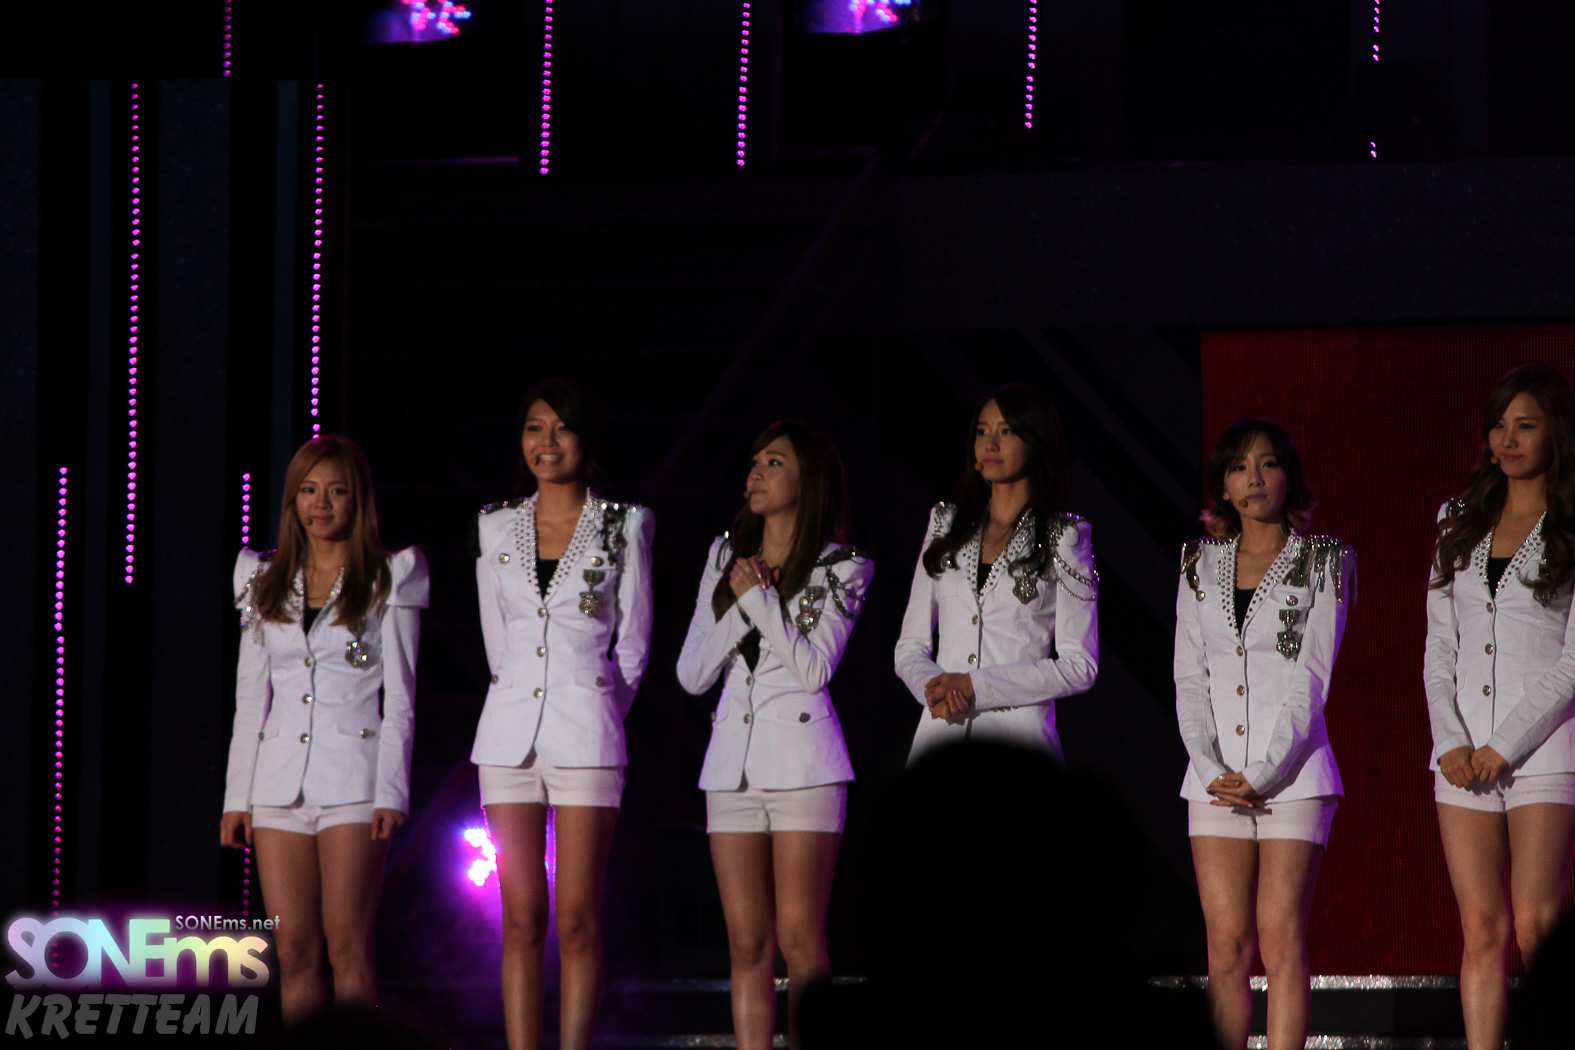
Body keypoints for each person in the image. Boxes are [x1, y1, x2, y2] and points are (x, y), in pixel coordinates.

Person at [470, 377, 654, 1050]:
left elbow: (633, 645)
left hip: (589, 736)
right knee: (519, 917)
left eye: (562, 428)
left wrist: (596, 706)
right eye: (534, 428)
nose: (547, 443)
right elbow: (497, 643)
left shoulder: (625, 523)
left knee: (576, 918)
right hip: (507, 740)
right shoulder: (495, 525)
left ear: (586, 437)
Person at [676, 420, 872, 1050]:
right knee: (746, 942)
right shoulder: (723, 557)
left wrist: (760, 600)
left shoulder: (843, 566)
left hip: (805, 766)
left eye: (775, 462)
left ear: (807, 479)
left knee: (799, 937)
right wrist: (741, 605)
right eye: (755, 461)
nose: (756, 472)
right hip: (730, 769)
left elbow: (814, 670)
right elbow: (691, 674)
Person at [220, 435, 429, 1022]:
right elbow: (249, 699)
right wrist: (237, 799)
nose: (321, 504)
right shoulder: (262, 577)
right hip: (277, 788)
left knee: (347, 945)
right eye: (309, 491)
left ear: (357, 500)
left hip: (354, 784)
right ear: (292, 501)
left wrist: (391, 792)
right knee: (293, 951)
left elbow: (402, 699)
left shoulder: (388, 575)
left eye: (335, 492)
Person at [1174, 419, 1354, 1050]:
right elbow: (1189, 676)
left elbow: (1313, 677)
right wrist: (1210, 766)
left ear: (1288, 477)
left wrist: (1264, 772)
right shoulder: (1198, 563)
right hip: (1215, 781)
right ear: (1222, 486)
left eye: (1267, 464)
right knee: (1225, 946)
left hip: (1294, 776)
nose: (1253, 479)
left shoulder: (1325, 559)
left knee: (1280, 938)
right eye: (1238, 467)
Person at [1425, 364, 1575, 1050]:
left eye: (1525, 426)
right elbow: (1438, 647)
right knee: (1480, 930)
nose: (1507, 440)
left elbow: (1571, 661)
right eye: (1498, 426)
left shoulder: (1569, 522)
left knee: (1536, 924)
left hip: (1541, 750)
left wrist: (1503, 746)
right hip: (1461, 758)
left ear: (1555, 434)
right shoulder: (1456, 519)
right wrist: (1452, 742)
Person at [894, 383, 1098, 761]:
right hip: (940, 735)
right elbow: (910, 646)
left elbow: (1079, 666)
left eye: (1006, 431)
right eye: (982, 431)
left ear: (1035, 441)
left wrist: (977, 686)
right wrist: (936, 689)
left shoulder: (1066, 535)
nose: (990, 443)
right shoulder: (945, 523)